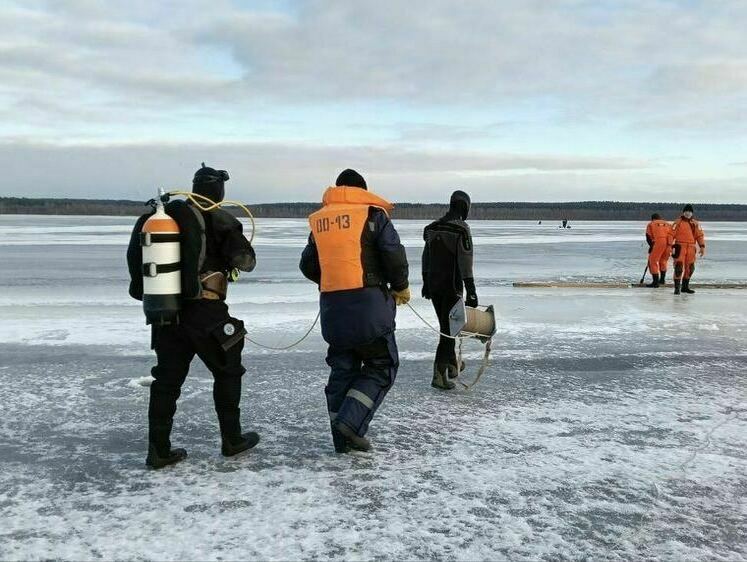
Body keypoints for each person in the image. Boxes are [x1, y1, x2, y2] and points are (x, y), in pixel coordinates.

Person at [128, 164, 259, 469]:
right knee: (228, 371)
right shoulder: (220, 219)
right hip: (205, 311)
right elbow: (246, 261)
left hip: (168, 310)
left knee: (167, 381)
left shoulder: (167, 219)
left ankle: (158, 449)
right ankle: (232, 439)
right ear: (219, 191)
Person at [299, 169, 409, 453]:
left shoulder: (321, 222)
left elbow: (308, 265)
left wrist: (333, 281)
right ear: (362, 191)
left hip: (333, 312)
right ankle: (351, 423)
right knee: (381, 366)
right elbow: (393, 253)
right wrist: (400, 286)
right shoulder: (372, 215)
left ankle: (341, 439)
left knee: (342, 369)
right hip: (369, 310)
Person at [421, 190, 477, 390]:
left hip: (434, 286)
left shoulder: (433, 228)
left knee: (447, 327)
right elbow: (465, 262)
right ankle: (438, 374)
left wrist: (426, 281)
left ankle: (453, 366)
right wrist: (471, 291)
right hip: (452, 287)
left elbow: (426, 257)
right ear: (464, 207)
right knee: (448, 332)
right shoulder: (461, 230)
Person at [672, 204, 706, 295]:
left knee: (690, 268)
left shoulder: (695, 223)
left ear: (692, 213)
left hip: (691, 247)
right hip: (679, 246)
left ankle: (685, 287)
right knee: (678, 267)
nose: (688, 213)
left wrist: (702, 247)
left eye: (690, 212)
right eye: (686, 211)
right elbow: (671, 234)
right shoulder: (678, 222)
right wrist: (668, 246)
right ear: (683, 212)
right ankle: (677, 288)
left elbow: (699, 235)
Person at [644, 213, 674, 287]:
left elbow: (648, 237)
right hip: (669, 243)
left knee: (653, 261)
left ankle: (655, 282)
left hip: (659, 242)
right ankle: (662, 280)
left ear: (652, 219)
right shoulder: (668, 224)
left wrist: (651, 246)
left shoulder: (651, 224)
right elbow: (672, 234)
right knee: (663, 261)